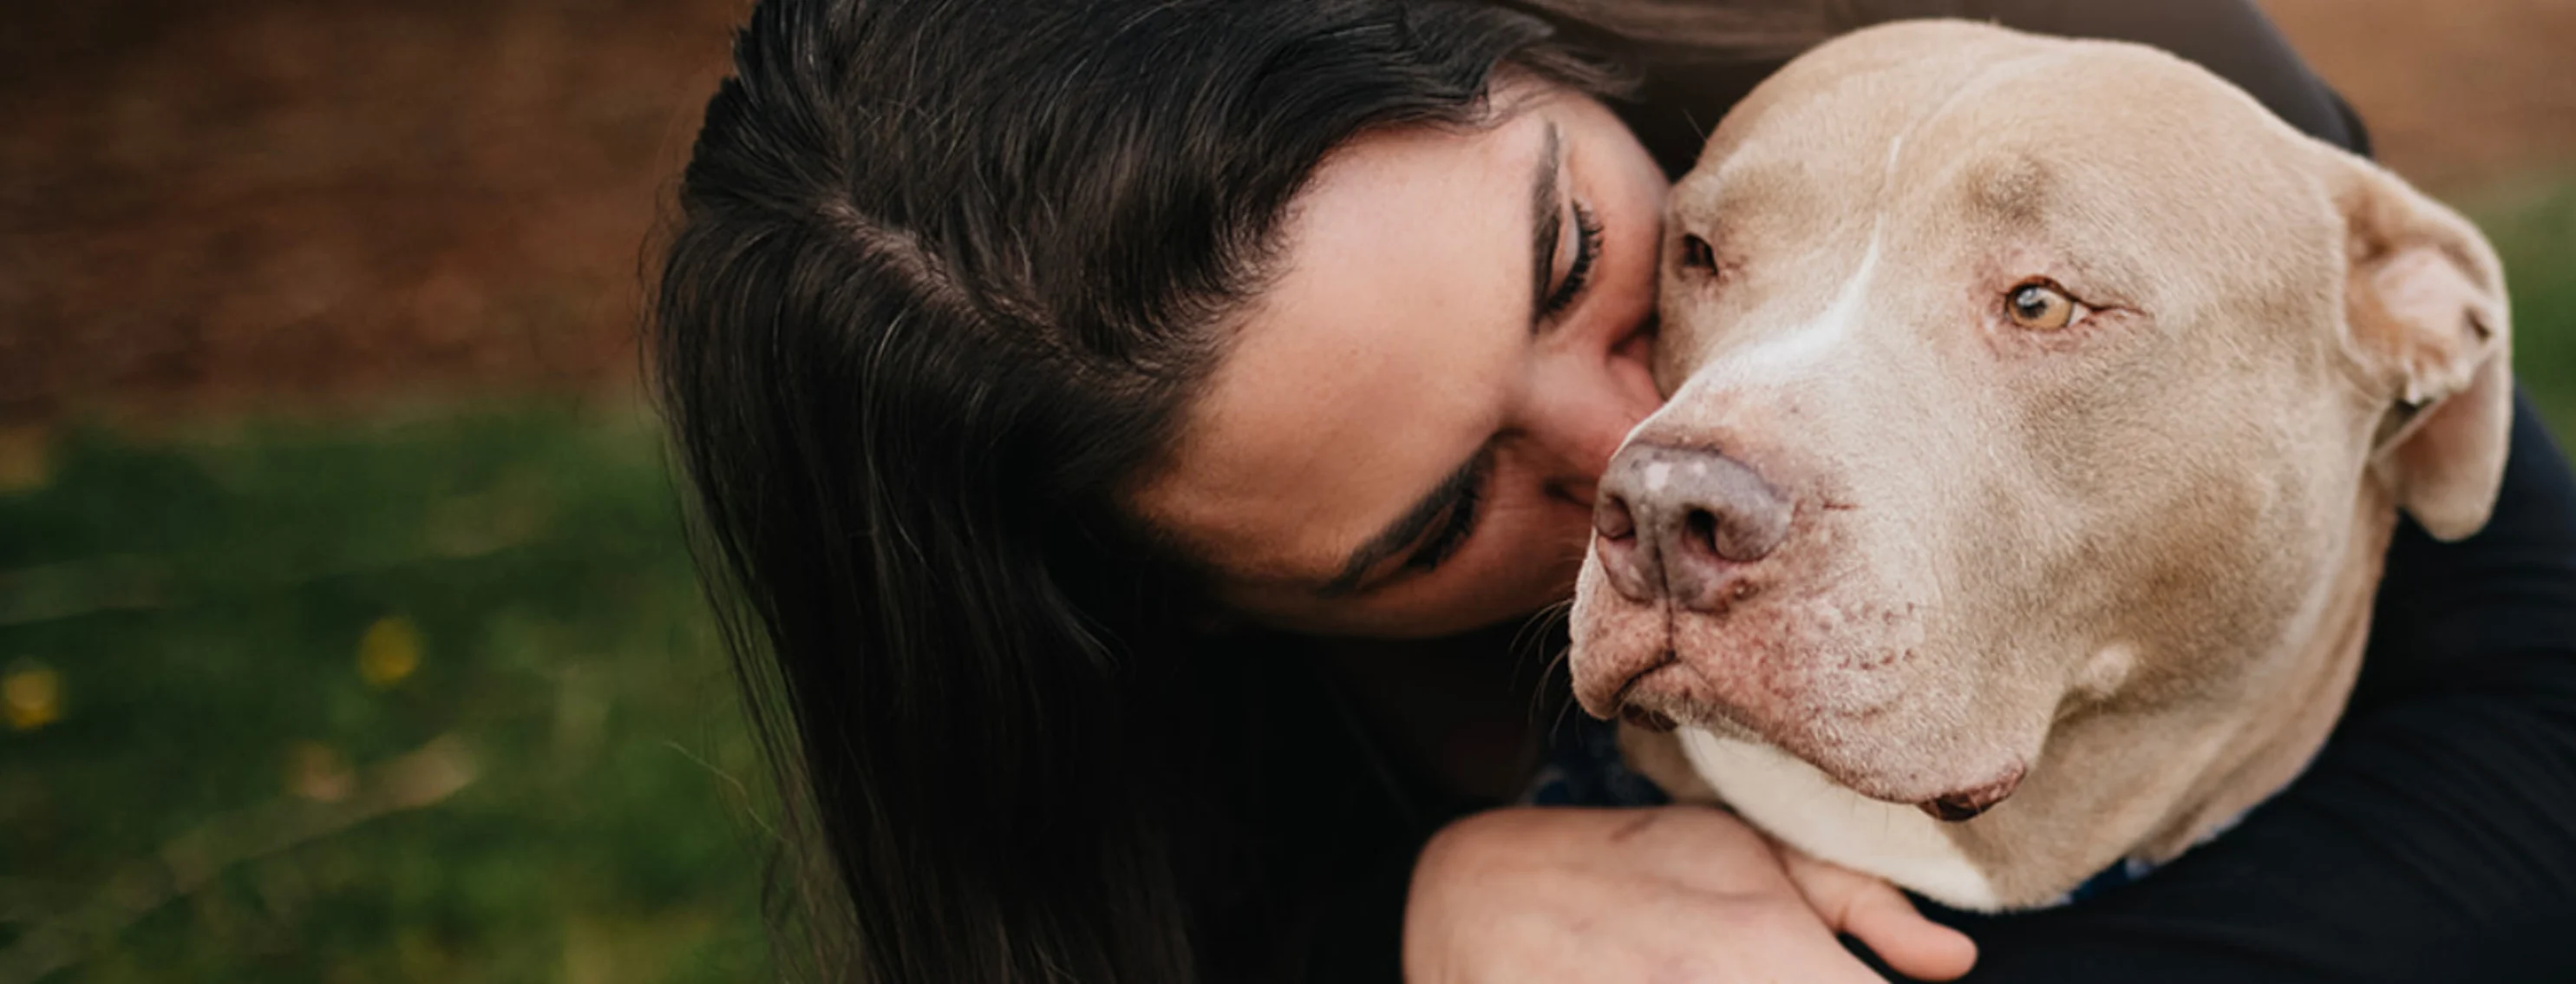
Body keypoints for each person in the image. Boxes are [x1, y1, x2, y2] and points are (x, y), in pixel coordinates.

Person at [647, 0, 2576, 981]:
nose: (1643, 470)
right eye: (1428, 521)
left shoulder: (2123, 102)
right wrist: (1399, 922)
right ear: (1191, 624)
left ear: (1514, 42)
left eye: (1587, 263)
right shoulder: (1090, 716)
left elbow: (2542, 711)